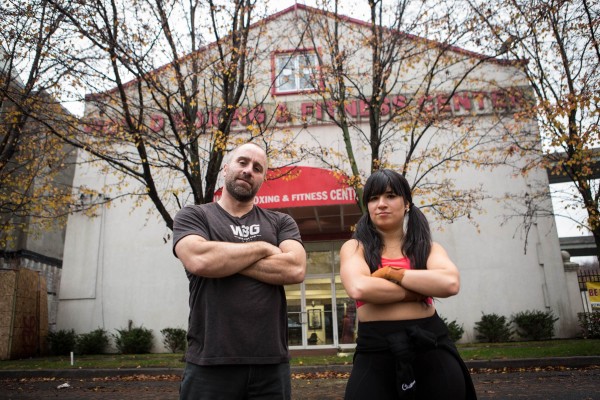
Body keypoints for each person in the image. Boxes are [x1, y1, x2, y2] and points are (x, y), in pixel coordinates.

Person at [172, 142, 307, 399]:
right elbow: (200, 260)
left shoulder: (281, 222)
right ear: (226, 169)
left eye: (257, 168)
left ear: (262, 179)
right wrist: (264, 247)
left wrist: (224, 260)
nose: (248, 171)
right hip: (209, 363)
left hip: (271, 365)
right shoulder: (194, 216)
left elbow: (295, 268)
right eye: (242, 162)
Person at [340, 169, 476, 400]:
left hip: (430, 346)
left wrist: (389, 273)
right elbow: (360, 288)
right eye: (373, 198)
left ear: (406, 204)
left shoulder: (428, 248)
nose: (381, 204)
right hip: (375, 350)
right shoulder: (355, 248)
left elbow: (450, 283)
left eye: (390, 196)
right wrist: (419, 290)